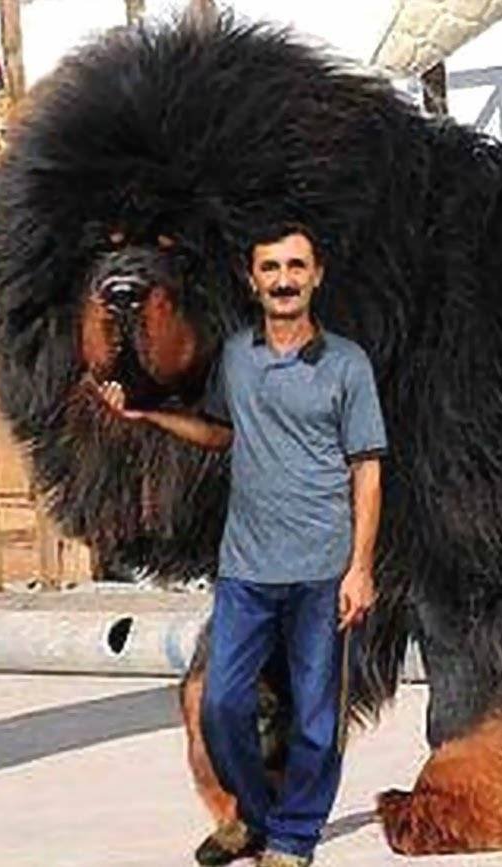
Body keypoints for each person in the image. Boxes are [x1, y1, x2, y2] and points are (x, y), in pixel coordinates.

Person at [99, 222, 386, 867]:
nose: (284, 280)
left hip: (321, 567)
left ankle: (293, 839)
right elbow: (222, 435)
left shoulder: (347, 364)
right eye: (271, 268)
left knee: (316, 719)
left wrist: (360, 568)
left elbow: (367, 467)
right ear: (253, 281)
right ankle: (255, 818)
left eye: (296, 267)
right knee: (222, 704)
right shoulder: (236, 357)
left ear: (316, 276)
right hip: (247, 569)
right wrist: (148, 413)